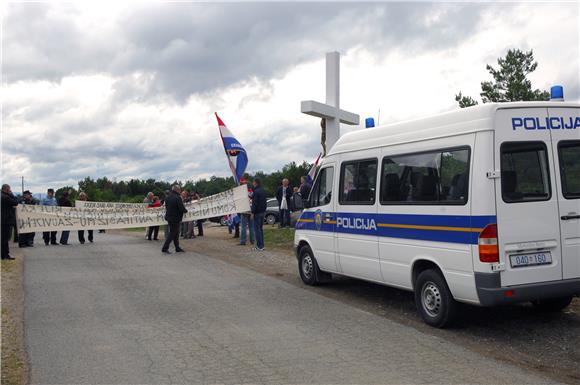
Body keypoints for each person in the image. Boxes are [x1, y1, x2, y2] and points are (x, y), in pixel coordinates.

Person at [162, 185, 187, 254]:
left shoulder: (167, 197)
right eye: (179, 190)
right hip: (175, 218)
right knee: (173, 233)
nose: (180, 191)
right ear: (177, 190)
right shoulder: (177, 197)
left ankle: (177, 247)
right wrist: (186, 210)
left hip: (169, 217)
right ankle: (165, 248)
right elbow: (181, 208)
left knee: (175, 233)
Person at [1, 184, 19, 260]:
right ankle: (5, 255)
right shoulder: (6, 197)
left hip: (3, 220)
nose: (10, 190)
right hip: (6, 221)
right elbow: (16, 202)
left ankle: (4, 254)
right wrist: (11, 194)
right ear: (7, 189)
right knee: (5, 239)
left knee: (3, 238)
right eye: (9, 189)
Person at [252, 178, 267, 251]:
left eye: (253, 182)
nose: (253, 183)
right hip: (263, 212)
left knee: (257, 230)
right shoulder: (263, 190)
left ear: (255, 183)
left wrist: (252, 212)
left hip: (257, 213)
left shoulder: (256, 191)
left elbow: (255, 203)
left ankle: (259, 246)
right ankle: (262, 245)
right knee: (260, 229)